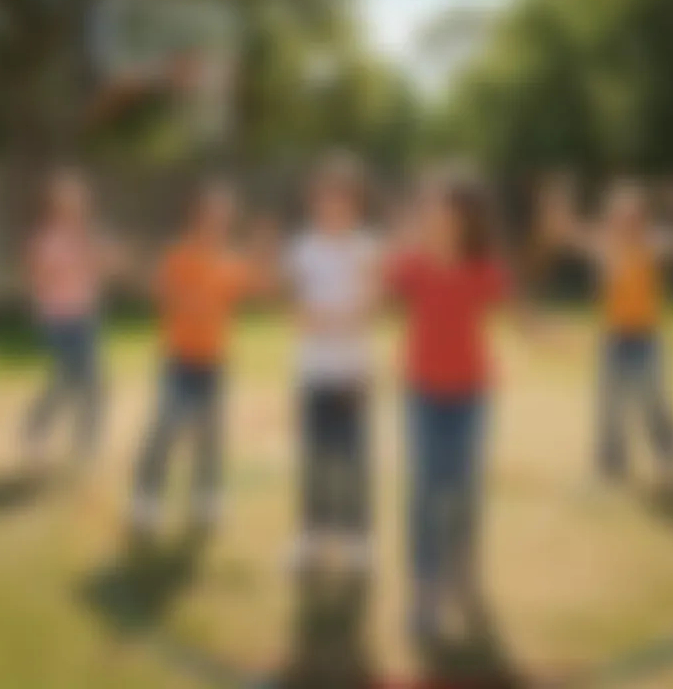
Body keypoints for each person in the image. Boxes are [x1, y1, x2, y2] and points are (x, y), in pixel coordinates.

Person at [385, 169, 542, 646]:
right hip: (422, 395)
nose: (432, 213)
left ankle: (462, 574)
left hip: (472, 396)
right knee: (427, 492)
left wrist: (543, 330)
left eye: (440, 206)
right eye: (427, 206)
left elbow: (516, 309)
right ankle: (426, 591)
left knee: (464, 489)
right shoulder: (410, 264)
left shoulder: (484, 267)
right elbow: (379, 287)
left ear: (463, 217)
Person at [538, 177, 673, 487]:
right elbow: (560, 232)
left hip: (646, 338)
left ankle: (670, 453)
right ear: (611, 218)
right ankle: (611, 464)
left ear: (642, 218)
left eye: (633, 216)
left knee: (651, 398)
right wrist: (557, 198)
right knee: (609, 402)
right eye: (620, 215)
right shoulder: (603, 244)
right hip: (614, 337)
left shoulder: (654, 242)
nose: (626, 222)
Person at [130, 180, 268, 537]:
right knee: (166, 427)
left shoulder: (230, 260)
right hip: (179, 360)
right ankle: (146, 497)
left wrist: (260, 249)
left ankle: (206, 496)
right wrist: (189, 301)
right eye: (211, 214)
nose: (218, 221)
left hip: (214, 362)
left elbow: (256, 286)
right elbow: (161, 292)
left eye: (224, 215)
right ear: (196, 216)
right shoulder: (180, 255)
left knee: (211, 435)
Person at [286, 152, 378, 573]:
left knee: (354, 459)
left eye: (341, 197)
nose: (333, 204)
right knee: (316, 459)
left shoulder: (367, 248)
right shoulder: (302, 248)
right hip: (313, 372)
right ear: (315, 201)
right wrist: (336, 316)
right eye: (325, 196)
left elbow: (368, 306)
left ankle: (359, 541)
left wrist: (331, 316)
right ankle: (312, 537)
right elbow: (300, 314)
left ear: (354, 203)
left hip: (354, 373)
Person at [23, 168, 120, 468]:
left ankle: (85, 444)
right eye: (68, 203)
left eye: (79, 203)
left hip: (85, 316)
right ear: (55, 207)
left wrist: (100, 255)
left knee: (89, 381)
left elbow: (106, 268)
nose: (75, 208)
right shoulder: (46, 240)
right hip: (58, 319)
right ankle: (39, 427)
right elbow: (40, 278)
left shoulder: (88, 236)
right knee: (70, 379)